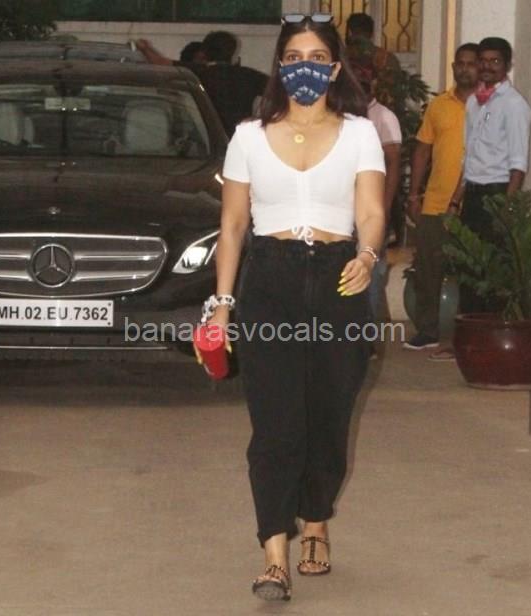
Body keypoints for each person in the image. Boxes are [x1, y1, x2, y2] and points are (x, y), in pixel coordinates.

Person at [204, 13, 385, 602]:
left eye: (316, 58)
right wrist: (223, 305)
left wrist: (367, 254)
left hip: (340, 281)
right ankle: (274, 553)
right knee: (276, 425)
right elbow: (233, 226)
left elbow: (371, 211)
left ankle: (317, 520)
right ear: (280, 66)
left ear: (334, 69)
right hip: (271, 282)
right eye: (293, 57)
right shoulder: (248, 137)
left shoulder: (360, 133)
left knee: (329, 420)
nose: (305, 67)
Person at [402, 43, 480, 353]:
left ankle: (470, 334)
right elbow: (422, 149)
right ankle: (428, 331)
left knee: (472, 274)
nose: (465, 69)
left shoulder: (488, 104)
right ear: (453, 67)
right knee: (428, 271)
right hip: (435, 202)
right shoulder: (438, 106)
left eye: (471, 63)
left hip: (473, 204)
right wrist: (413, 194)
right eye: (460, 63)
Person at [452, 36, 531, 315]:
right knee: (468, 268)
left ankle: (492, 330)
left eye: (495, 61)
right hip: (473, 195)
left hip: (497, 193)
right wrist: (455, 201)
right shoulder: (474, 103)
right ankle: (470, 330)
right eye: (483, 61)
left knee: (494, 272)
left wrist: (506, 207)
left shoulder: (514, 105)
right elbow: (469, 156)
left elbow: (518, 163)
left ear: (507, 65)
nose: (487, 66)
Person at [136, 31, 268, 136]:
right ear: (232, 52)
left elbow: (161, 63)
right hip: (239, 136)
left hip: (207, 140)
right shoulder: (250, 76)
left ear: (204, 52)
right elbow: (277, 89)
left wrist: (144, 47)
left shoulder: (197, 72)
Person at [349, 55, 402, 321]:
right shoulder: (340, 114)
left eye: (364, 79)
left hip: (372, 207)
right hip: (343, 209)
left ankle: (367, 330)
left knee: (372, 270)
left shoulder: (384, 117)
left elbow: (393, 164)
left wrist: (386, 204)